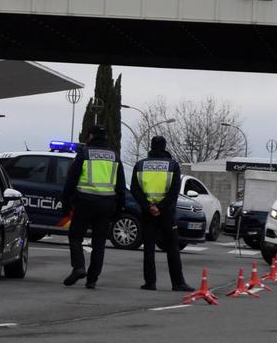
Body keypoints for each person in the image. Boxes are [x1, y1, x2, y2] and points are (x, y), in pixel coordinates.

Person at [61, 124, 126, 289]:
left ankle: (79, 267)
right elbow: (121, 185)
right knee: (99, 243)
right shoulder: (115, 156)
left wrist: (65, 201)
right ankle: (92, 279)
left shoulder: (84, 153)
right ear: (105, 138)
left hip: (85, 202)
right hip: (107, 204)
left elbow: (71, 179)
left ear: (90, 137)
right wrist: (119, 208)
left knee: (75, 236)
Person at [130, 135, 193, 293]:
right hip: (166, 213)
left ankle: (150, 282)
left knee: (149, 248)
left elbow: (135, 190)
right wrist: (161, 207)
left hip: (147, 212)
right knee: (172, 247)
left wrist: (148, 206)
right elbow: (174, 192)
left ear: (151, 147)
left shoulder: (140, 165)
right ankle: (178, 283)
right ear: (165, 147)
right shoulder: (172, 165)